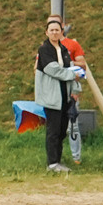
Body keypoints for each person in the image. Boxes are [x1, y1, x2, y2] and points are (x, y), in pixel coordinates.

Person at [34, 16, 84, 173]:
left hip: (65, 96)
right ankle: (52, 163)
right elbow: (53, 70)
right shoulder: (44, 50)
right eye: (52, 30)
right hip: (51, 96)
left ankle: (58, 160)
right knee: (53, 130)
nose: (54, 33)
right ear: (46, 32)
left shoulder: (64, 50)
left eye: (57, 30)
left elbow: (71, 67)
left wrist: (75, 89)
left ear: (62, 32)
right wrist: (72, 75)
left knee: (62, 130)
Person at [58, 17, 89, 163]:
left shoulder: (72, 44)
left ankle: (76, 157)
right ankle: (56, 158)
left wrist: (68, 63)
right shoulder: (45, 47)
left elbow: (82, 65)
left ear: (62, 26)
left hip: (70, 88)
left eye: (57, 25)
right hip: (54, 90)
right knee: (55, 126)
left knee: (72, 125)